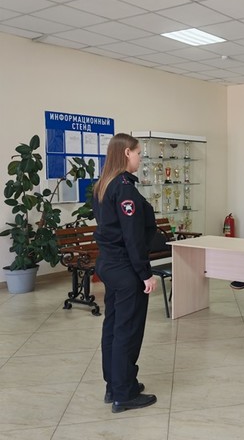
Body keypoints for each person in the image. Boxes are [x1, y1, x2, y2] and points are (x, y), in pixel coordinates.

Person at [93, 133, 158, 413]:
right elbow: (132, 236)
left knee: (113, 326)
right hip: (125, 268)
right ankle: (124, 393)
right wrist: (145, 273)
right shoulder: (124, 188)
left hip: (109, 264)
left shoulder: (103, 185)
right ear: (127, 153)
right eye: (139, 153)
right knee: (127, 331)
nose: (140, 158)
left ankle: (115, 385)